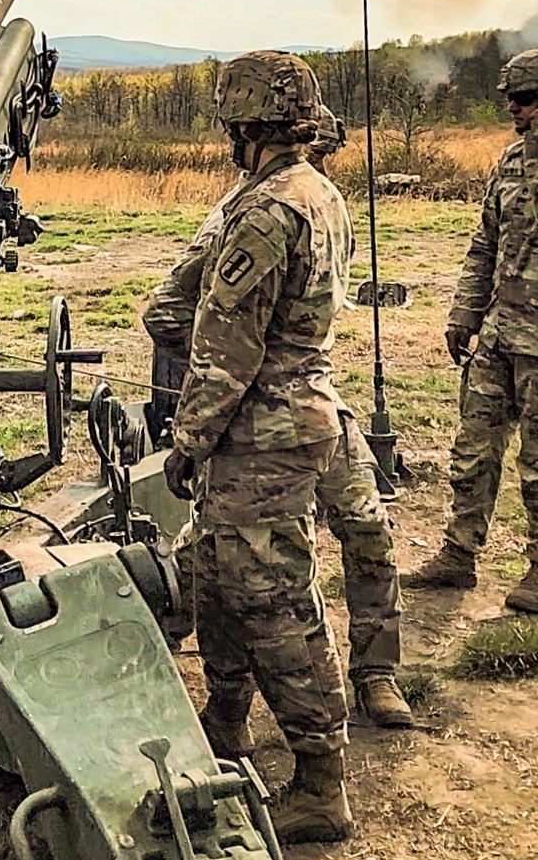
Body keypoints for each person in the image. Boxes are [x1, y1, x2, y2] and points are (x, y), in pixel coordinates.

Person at [144, 104, 412, 733]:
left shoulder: (318, 199)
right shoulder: (245, 212)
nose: (322, 155)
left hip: (312, 406)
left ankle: (377, 674)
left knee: (365, 532)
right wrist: (212, 402)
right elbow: (175, 308)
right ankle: (229, 703)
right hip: (260, 418)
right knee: (233, 567)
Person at [148, 50, 355, 845]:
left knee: (276, 601)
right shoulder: (316, 191)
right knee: (220, 573)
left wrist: (188, 440)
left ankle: (320, 779)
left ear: (243, 123)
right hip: (281, 423)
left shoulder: (267, 211)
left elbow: (224, 348)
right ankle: (226, 720)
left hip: (261, 433)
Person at [408, 48, 538, 612]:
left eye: (526, 98)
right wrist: (465, 313)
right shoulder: (510, 163)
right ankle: (458, 556)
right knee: (474, 449)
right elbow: (484, 245)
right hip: (499, 333)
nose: (515, 107)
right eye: (511, 97)